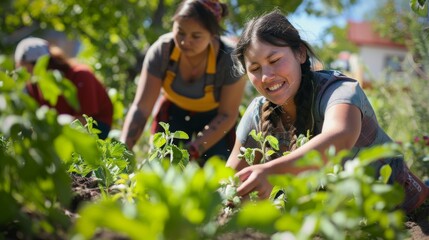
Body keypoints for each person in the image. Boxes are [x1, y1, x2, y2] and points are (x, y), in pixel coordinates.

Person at [226, 10, 428, 214]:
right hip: (341, 222)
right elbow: (230, 178)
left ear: (301, 53)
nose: (266, 76)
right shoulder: (257, 113)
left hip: (405, 214)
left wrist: (271, 172)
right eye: (255, 68)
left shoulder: (338, 91)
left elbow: (339, 137)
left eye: (275, 60)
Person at [120, 0, 246, 165]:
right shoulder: (162, 52)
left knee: (216, 170)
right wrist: (122, 152)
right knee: (163, 165)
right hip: (173, 114)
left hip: (215, 119)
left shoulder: (229, 60)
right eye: (180, 32)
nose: (186, 42)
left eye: (196, 36)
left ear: (213, 33)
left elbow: (227, 114)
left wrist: (194, 149)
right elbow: (141, 108)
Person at [14, 37, 113, 139]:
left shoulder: (80, 75)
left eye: (24, 67)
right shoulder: (33, 84)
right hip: (59, 128)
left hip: (95, 128)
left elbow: (84, 120)